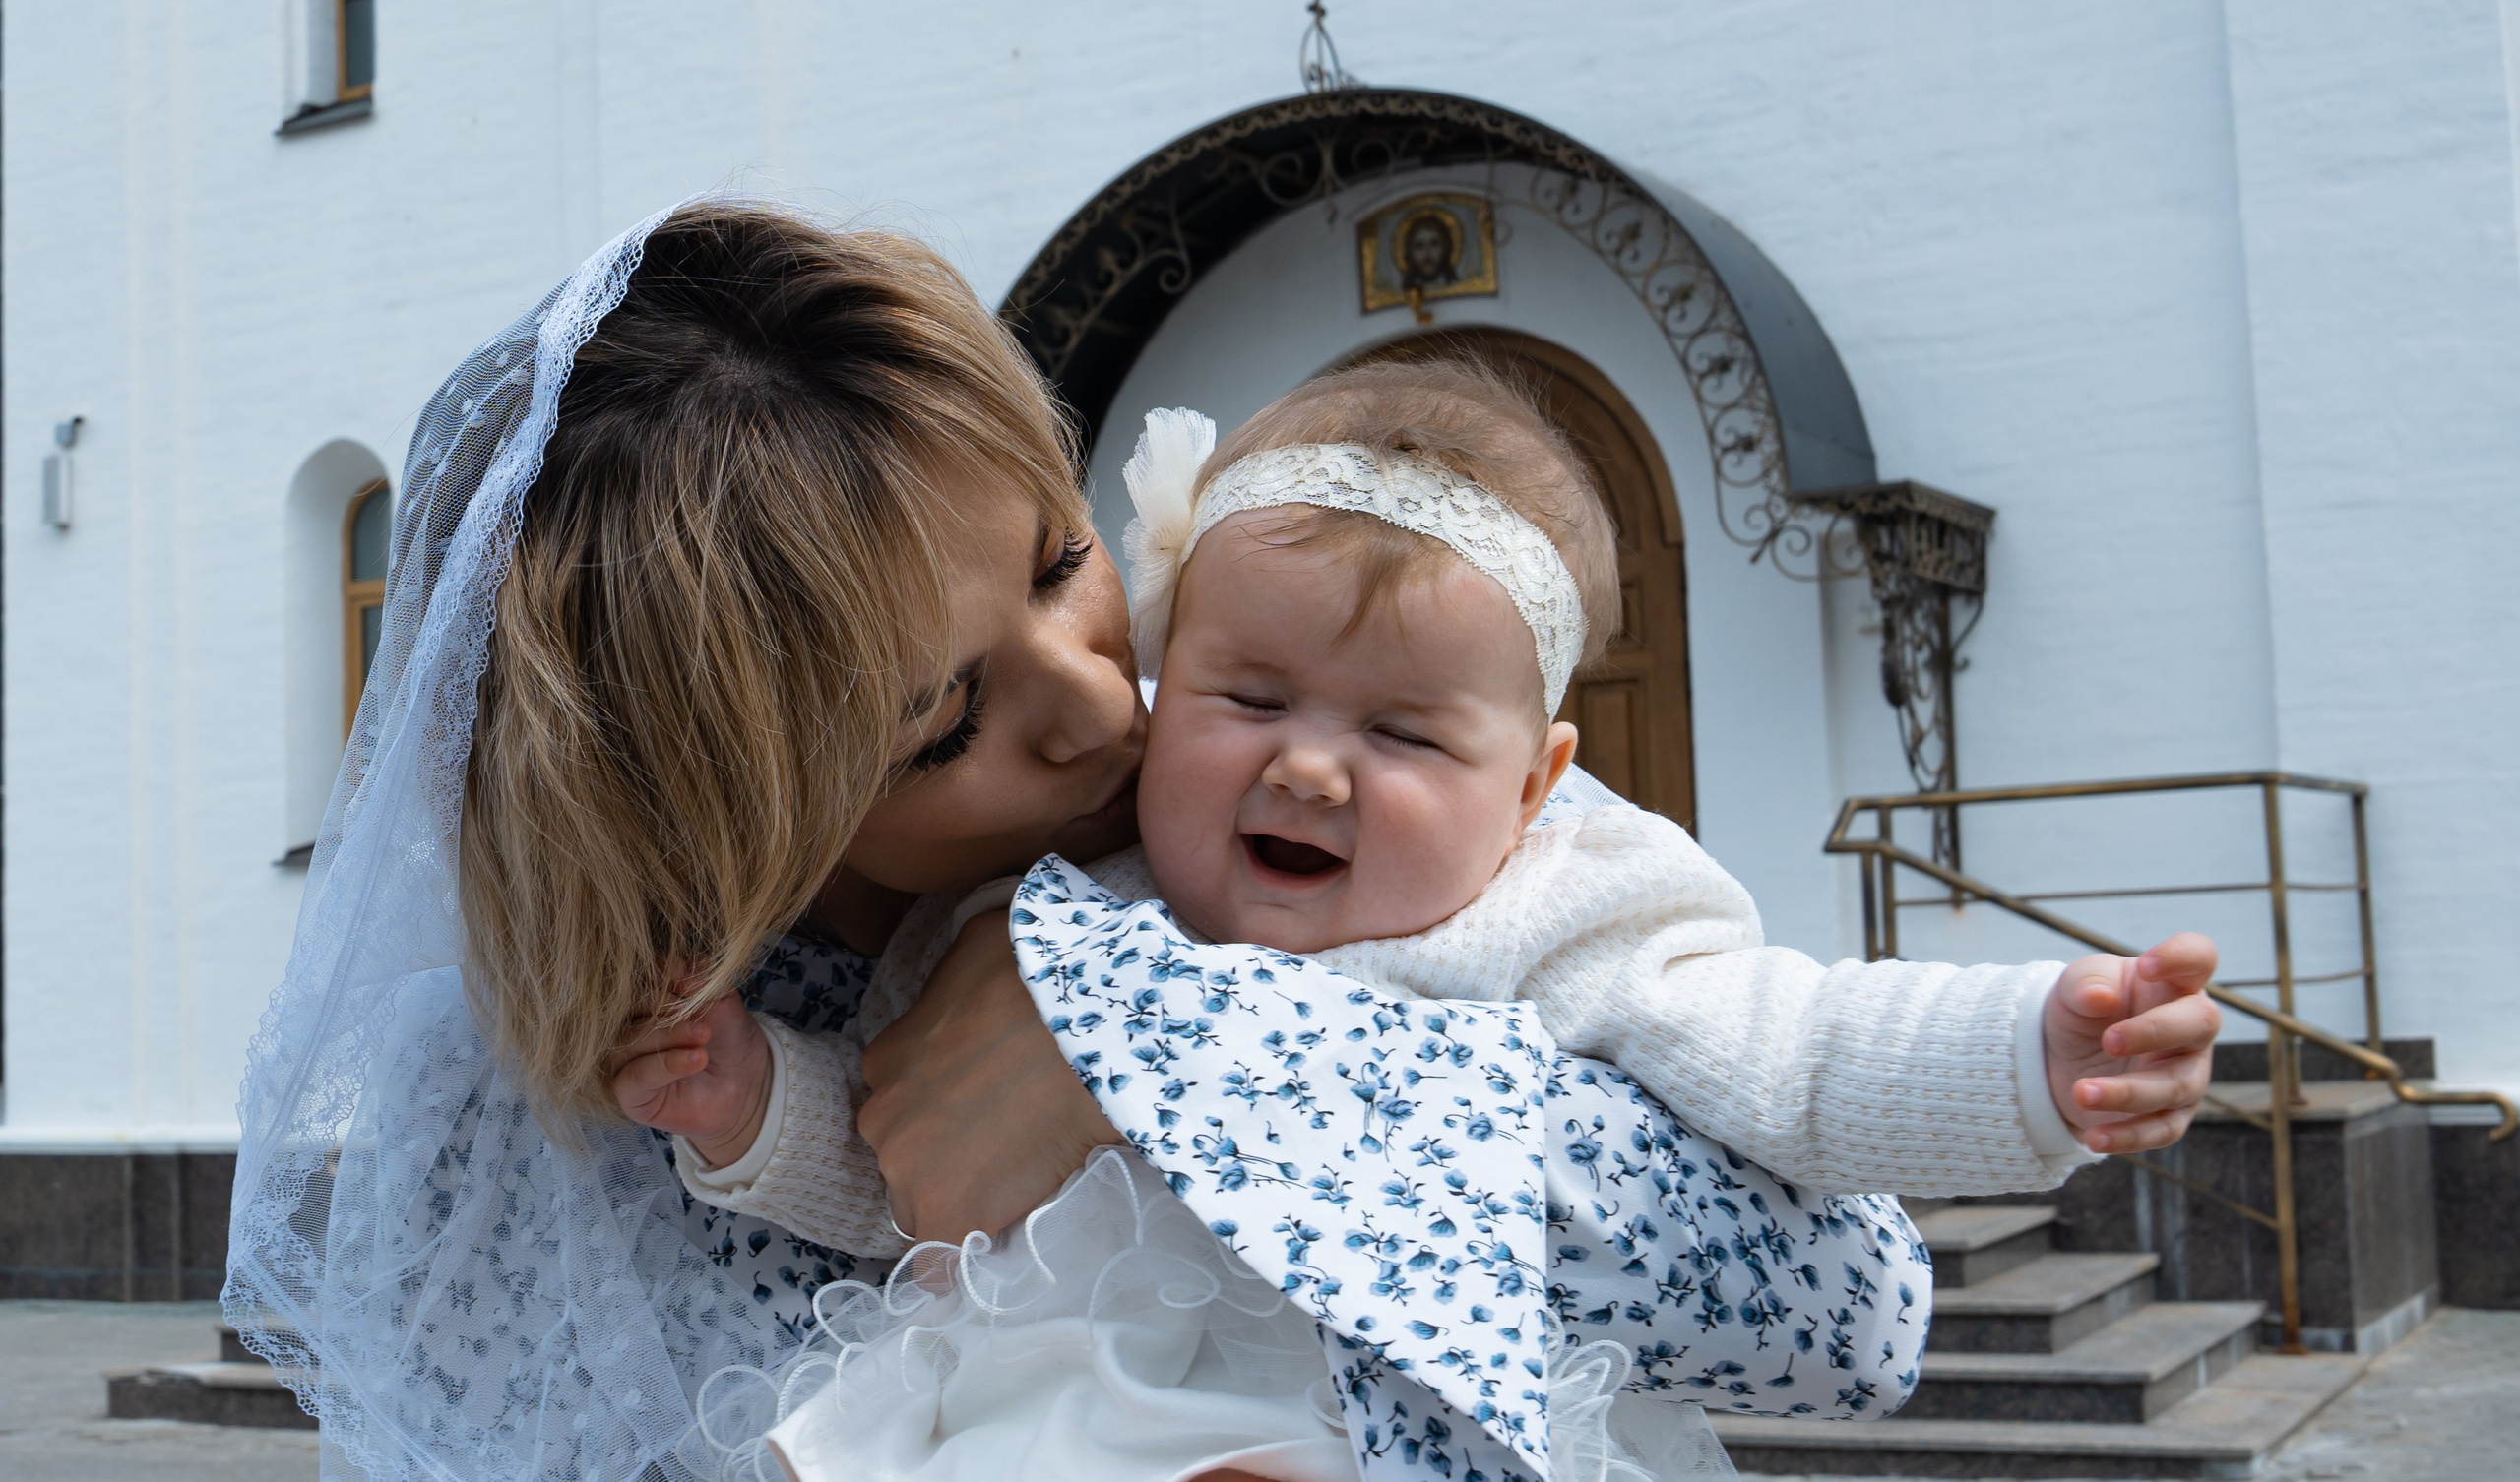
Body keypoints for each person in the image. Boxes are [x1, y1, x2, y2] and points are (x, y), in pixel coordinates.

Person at [625, 358, 2223, 1482]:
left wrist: (2034, 1051)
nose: (1311, 764)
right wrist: (752, 1100)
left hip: (1372, 1425)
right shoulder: (1055, 908)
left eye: (1404, 738)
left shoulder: (1564, 915)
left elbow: (1797, 1051)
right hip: (1055, 1411)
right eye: (1246, 698)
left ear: (1534, 788)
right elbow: (907, 1171)